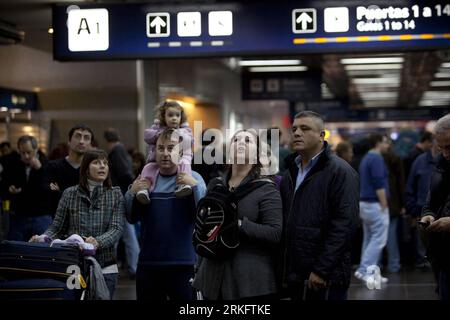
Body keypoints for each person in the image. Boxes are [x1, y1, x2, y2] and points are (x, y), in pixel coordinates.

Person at [193, 129, 282, 300]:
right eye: (236, 140)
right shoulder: (215, 185)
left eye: (248, 141)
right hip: (212, 277)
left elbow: (274, 233)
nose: (240, 143)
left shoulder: (266, 188)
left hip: (250, 281)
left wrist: (237, 224)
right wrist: (198, 268)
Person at [280, 111, 359, 300]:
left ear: (321, 136)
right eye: (294, 129)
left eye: (305, 128)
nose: (297, 133)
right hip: (295, 275)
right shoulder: (289, 172)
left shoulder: (340, 172)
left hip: (325, 277)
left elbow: (344, 225)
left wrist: (322, 270)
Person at [31, 149, 124, 299]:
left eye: (105, 163)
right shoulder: (69, 193)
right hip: (74, 266)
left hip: (106, 267)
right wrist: (42, 238)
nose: (102, 166)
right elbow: (57, 227)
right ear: (86, 169)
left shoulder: (115, 194)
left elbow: (116, 228)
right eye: (96, 162)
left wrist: (97, 242)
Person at [125, 128, 206, 300]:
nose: (165, 153)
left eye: (171, 148)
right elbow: (131, 217)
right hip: (149, 263)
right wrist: (131, 192)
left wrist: (195, 186)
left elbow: (205, 216)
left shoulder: (194, 177)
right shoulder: (146, 179)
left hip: (183, 263)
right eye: (161, 148)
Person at [136, 100, 194, 204]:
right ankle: (144, 189)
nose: (174, 118)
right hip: (155, 160)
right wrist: (158, 134)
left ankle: (184, 184)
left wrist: (177, 134)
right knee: (148, 168)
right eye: (170, 115)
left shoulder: (184, 130)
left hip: (181, 159)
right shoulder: (158, 128)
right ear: (164, 117)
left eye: (177, 115)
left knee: (185, 164)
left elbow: (189, 140)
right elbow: (147, 135)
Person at [420, 114, 450, 300]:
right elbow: (430, 204)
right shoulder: (441, 167)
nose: (445, 153)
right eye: (441, 148)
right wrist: (428, 216)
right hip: (444, 260)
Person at [104, 128, 140, 279]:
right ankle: (133, 267)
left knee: (119, 235)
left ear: (107, 140)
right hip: (122, 196)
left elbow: (125, 174)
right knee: (125, 234)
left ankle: (127, 267)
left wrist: (129, 192)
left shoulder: (116, 152)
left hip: (119, 197)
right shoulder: (121, 150)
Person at [355, 133, 391, 284]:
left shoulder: (366, 158)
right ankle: (364, 270)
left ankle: (372, 273)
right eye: (385, 141)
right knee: (378, 240)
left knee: (369, 239)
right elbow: (379, 183)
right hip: (375, 204)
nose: (387, 145)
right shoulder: (376, 158)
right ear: (378, 142)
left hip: (364, 204)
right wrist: (384, 203)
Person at [2, 136, 50, 241]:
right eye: (22, 153)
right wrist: (10, 189)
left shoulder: (46, 163)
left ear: (36, 149)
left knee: (42, 248)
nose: (26, 156)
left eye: (29, 152)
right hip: (20, 213)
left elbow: (49, 190)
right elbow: (4, 184)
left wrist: (39, 170)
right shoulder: (13, 163)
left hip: (41, 214)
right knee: (14, 247)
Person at [43, 124, 94, 217]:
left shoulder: (93, 170)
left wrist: (60, 192)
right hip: (57, 218)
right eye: (78, 136)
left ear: (90, 144)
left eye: (86, 138)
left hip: (85, 220)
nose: (81, 141)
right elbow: (48, 194)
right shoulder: (53, 166)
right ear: (69, 141)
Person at [405, 141, 438, 268]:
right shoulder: (420, 161)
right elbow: (410, 186)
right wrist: (412, 208)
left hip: (442, 210)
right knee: (422, 242)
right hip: (421, 209)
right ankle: (423, 262)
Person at [382, 137, 406, 273]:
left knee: (377, 237)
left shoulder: (375, 159)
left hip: (378, 202)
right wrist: (403, 203)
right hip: (394, 202)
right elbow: (401, 183)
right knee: (392, 236)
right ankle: (394, 265)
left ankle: (377, 264)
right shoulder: (396, 159)